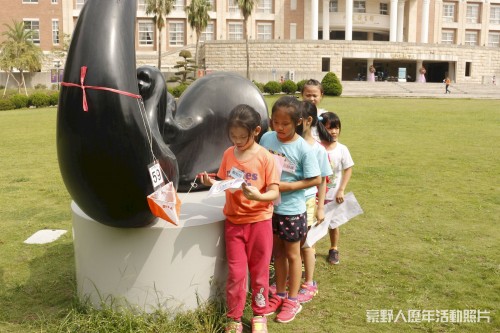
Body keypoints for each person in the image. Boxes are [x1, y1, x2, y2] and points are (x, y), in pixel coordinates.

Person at [200, 104, 280, 333]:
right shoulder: (228, 154)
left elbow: (274, 192)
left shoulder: (266, 158)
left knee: (260, 272)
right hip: (234, 223)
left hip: (260, 222)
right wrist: (211, 183)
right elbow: (225, 183)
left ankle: (259, 315)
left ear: (256, 131)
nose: (237, 141)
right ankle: (234, 318)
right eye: (233, 136)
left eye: (242, 137)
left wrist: (260, 195)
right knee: (236, 274)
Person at [260, 96, 321, 323]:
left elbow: (315, 179)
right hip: (269, 208)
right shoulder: (266, 138)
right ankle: (280, 293)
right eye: (275, 122)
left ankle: (293, 300)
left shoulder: (303, 149)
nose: (279, 128)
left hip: (292, 210)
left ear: (298, 122)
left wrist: (289, 186)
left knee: (293, 255)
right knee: (277, 254)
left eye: (285, 124)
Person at [297, 101, 333, 304]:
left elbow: (322, 180)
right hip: (288, 202)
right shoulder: (291, 143)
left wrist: (320, 208)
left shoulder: (318, 150)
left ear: (307, 121)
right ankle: (289, 278)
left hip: (308, 201)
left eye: (296, 120)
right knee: (291, 244)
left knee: (307, 243)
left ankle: (309, 282)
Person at [319, 112, 354, 265]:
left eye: (336, 128)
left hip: (334, 195)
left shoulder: (342, 149)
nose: (334, 131)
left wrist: (341, 189)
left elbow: (348, 169)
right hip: (317, 195)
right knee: (313, 225)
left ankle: (334, 248)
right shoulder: (318, 148)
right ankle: (309, 250)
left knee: (334, 224)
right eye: (329, 128)